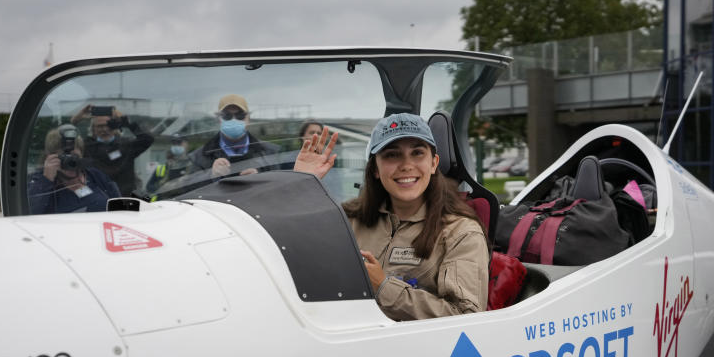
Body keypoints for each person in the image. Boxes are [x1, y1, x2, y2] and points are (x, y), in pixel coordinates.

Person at [295, 112, 488, 321]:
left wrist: (383, 287)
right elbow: (294, 251)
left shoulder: (461, 233)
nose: (406, 165)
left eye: (417, 153)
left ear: (434, 163)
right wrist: (300, 185)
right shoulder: (349, 220)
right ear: (375, 169)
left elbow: (466, 318)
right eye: (392, 155)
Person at [185, 94, 280, 185]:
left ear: (248, 118)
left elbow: (280, 184)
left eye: (240, 115)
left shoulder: (270, 151)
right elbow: (187, 188)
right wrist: (211, 175)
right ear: (219, 119)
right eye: (227, 116)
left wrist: (260, 178)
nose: (234, 120)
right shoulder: (199, 156)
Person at [27, 125, 121, 214]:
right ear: (51, 157)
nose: (71, 162)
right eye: (65, 157)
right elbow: (29, 212)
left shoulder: (94, 175)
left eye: (75, 156)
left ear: (81, 154)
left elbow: (118, 205)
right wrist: (46, 179)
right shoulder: (40, 181)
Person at [70, 105, 154, 195]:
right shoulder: (86, 146)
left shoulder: (126, 145)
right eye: (100, 126)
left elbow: (147, 139)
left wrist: (126, 122)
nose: (104, 129)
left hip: (125, 198)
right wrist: (73, 122)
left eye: (108, 125)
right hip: (98, 198)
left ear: (115, 127)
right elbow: (62, 146)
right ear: (93, 129)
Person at [145, 131, 191, 197]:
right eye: (174, 143)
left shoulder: (192, 164)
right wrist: (162, 187)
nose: (176, 145)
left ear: (186, 144)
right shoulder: (163, 167)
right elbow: (149, 186)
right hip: (165, 203)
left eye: (179, 143)